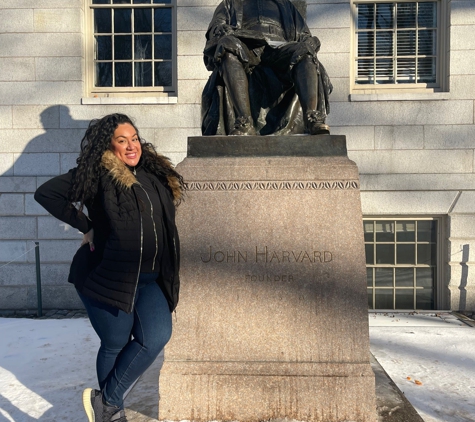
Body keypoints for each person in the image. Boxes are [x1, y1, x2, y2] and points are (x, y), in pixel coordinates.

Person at [34, 113, 185, 422]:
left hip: (151, 278)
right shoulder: (99, 174)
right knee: (115, 342)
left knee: (155, 336)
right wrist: (85, 225)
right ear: (109, 145)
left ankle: (106, 402)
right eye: (122, 140)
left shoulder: (154, 174)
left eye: (134, 138)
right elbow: (47, 193)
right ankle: (111, 414)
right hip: (108, 275)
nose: (131, 146)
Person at [202, 0, 333, 136]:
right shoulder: (231, 3)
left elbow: (304, 35)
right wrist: (220, 29)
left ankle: (312, 118)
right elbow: (216, 26)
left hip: (280, 49)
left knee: (305, 51)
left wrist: (311, 41)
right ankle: (244, 122)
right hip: (247, 47)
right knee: (227, 45)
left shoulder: (285, 5)